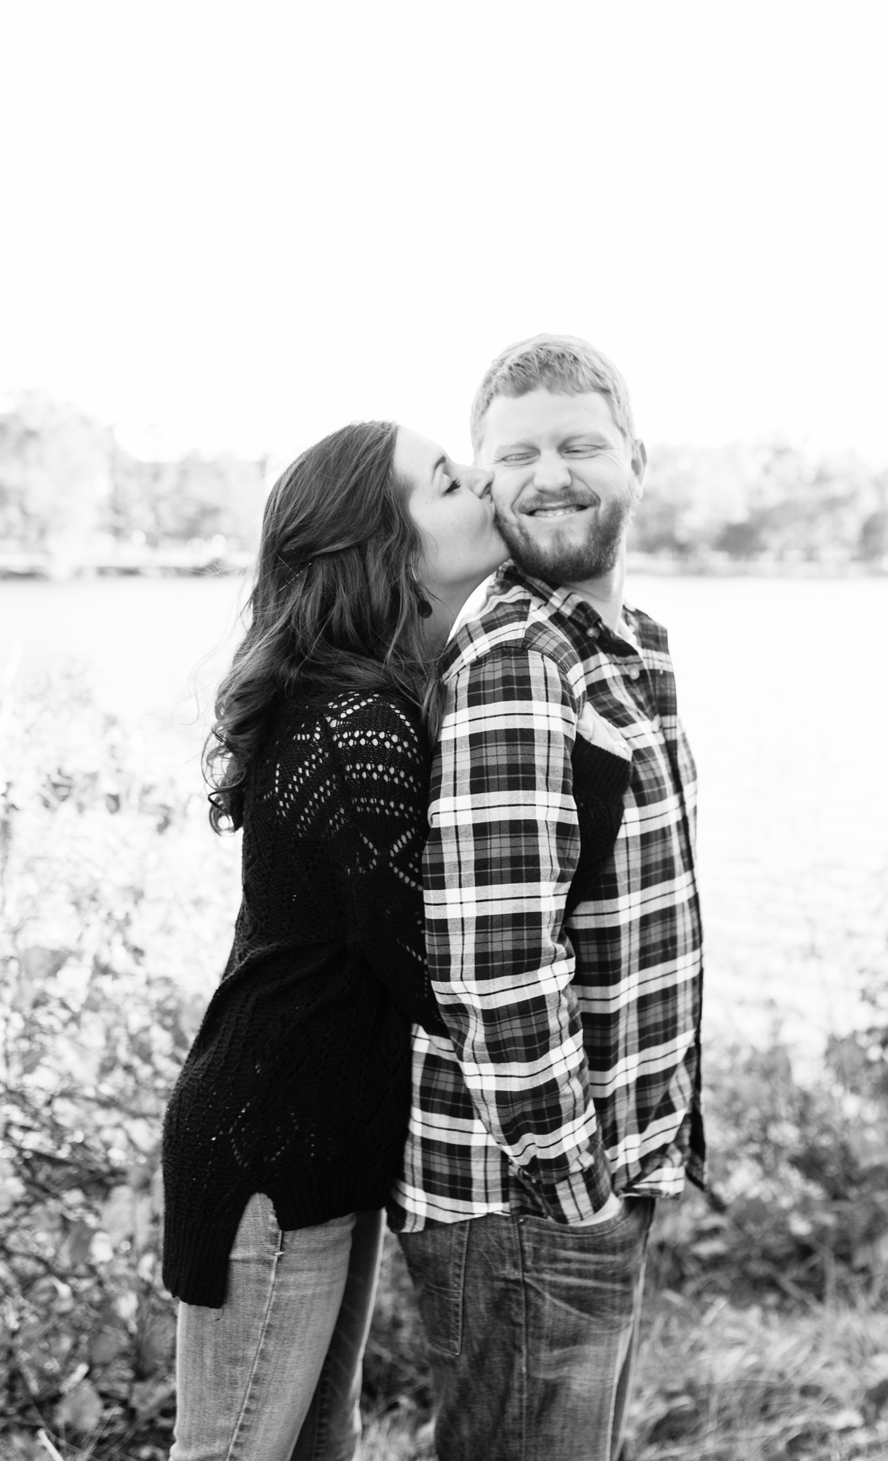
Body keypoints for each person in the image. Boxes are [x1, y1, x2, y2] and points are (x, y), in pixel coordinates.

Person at [161, 420, 506, 1460]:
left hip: (313, 1142)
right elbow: (433, 967)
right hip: (271, 1149)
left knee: (317, 1446)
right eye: (449, 482)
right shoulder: (356, 722)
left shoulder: (361, 694)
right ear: (386, 550)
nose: (484, 480)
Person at [391, 334, 704, 1461]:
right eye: (513, 454)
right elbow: (494, 966)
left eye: (579, 443)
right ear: (484, 477)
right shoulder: (517, 660)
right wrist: (574, 1186)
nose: (550, 473)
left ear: (636, 461)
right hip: (526, 1194)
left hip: (587, 1178)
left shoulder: (625, 646)